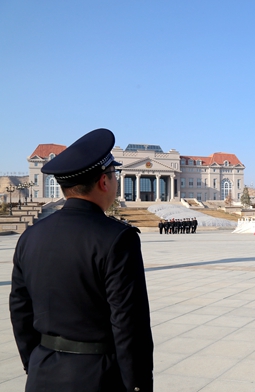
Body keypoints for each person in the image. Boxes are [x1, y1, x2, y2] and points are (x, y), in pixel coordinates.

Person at [9, 128, 153, 391]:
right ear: (104, 181)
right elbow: (129, 325)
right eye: (115, 174)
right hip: (98, 377)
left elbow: (20, 310)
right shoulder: (117, 238)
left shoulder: (30, 236)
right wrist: (137, 386)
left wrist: (35, 363)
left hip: (42, 373)